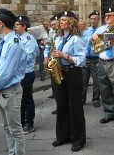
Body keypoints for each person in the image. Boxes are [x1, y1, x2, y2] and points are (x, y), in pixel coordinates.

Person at [0, 9, 27, 155]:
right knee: (7, 128)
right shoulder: (5, 42)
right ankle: (12, 152)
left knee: (15, 130)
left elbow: (6, 73)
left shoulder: (13, 43)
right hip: (1, 90)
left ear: (1, 23)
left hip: (10, 91)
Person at [50, 11, 86, 152]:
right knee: (62, 105)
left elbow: (81, 60)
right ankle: (63, 136)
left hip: (72, 72)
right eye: (60, 20)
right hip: (60, 72)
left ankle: (78, 139)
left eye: (64, 20)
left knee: (75, 106)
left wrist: (64, 55)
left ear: (71, 22)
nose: (61, 22)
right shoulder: (58, 37)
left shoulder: (77, 39)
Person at [15, 15, 39, 134]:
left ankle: (29, 123)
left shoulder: (28, 39)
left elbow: (29, 57)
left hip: (26, 73)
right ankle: (22, 121)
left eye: (17, 25)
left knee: (27, 99)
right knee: (20, 100)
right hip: (19, 73)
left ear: (24, 26)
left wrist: (14, 59)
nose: (15, 27)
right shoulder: (18, 38)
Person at [81, 11, 101, 107]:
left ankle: (96, 99)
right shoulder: (86, 31)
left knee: (96, 81)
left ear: (98, 20)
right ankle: (82, 99)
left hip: (96, 59)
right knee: (84, 80)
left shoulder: (101, 30)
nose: (93, 21)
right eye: (91, 19)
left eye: (95, 19)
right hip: (86, 59)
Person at [44, 14, 60, 114]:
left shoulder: (62, 34)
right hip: (53, 62)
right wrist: (46, 57)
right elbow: (47, 46)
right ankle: (59, 105)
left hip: (62, 62)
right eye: (52, 25)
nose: (53, 26)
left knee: (61, 87)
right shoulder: (51, 33)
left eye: (54, 24)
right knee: (55, 87)